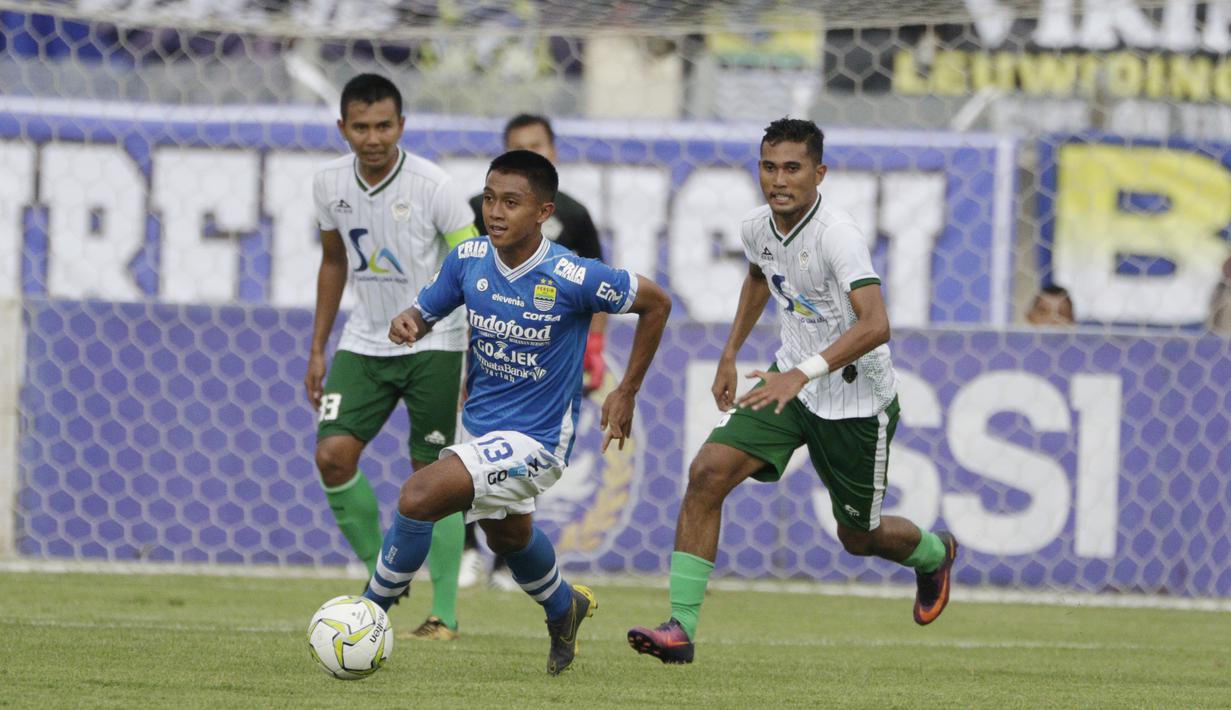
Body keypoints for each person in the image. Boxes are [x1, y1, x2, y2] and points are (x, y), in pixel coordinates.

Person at [627, 118, 959, 665]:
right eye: (768, 166)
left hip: (855, 401)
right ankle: (680, 629)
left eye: (792, 168)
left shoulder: (839, 236)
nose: (778, 180)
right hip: (789, 387)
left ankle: (932, 552)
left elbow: (876, 324)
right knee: (706, 473)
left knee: (858, 537)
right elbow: (760, 275)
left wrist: (802, 372)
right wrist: (731, 351)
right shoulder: (758, 226)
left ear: (818, 173)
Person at [363, 149, 672, 675]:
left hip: (538, 441)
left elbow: (657, 302)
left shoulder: (573, 274)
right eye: (488, 199)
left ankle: (366, 616)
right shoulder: (468, 260)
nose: (495, 212)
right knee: (506, 536)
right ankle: (563, 606)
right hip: (478, 426)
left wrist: (628, 391)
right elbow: (427, 307)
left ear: (543, 211)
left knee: (418, 496)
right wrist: (410, 320)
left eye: (511, 201)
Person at [306, 73, 477, 642]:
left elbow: (473, 265)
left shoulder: (434, 186)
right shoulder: (328, 182)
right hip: (364, 340)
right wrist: (317, 348)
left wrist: (475, 354)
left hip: (435, 342)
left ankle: (444, 614)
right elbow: (333, 262)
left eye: (384, 125)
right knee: (332, 454)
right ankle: (386, 574)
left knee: (434, 478)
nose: (373, 137)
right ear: (343, 129)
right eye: (361, 126)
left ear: (401, 126)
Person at [461, 114, 608, 592]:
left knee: (527, 453)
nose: (532, 153)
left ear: (554, 150)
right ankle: (464, 551)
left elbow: (601, 289)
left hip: (547, 360)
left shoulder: (574, 215)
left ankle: (508, 561)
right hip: (482, 349)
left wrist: (596, 349)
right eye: (520, 147)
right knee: (466, 449)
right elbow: (454, 278)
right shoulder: (473, 213)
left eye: (538, 145)